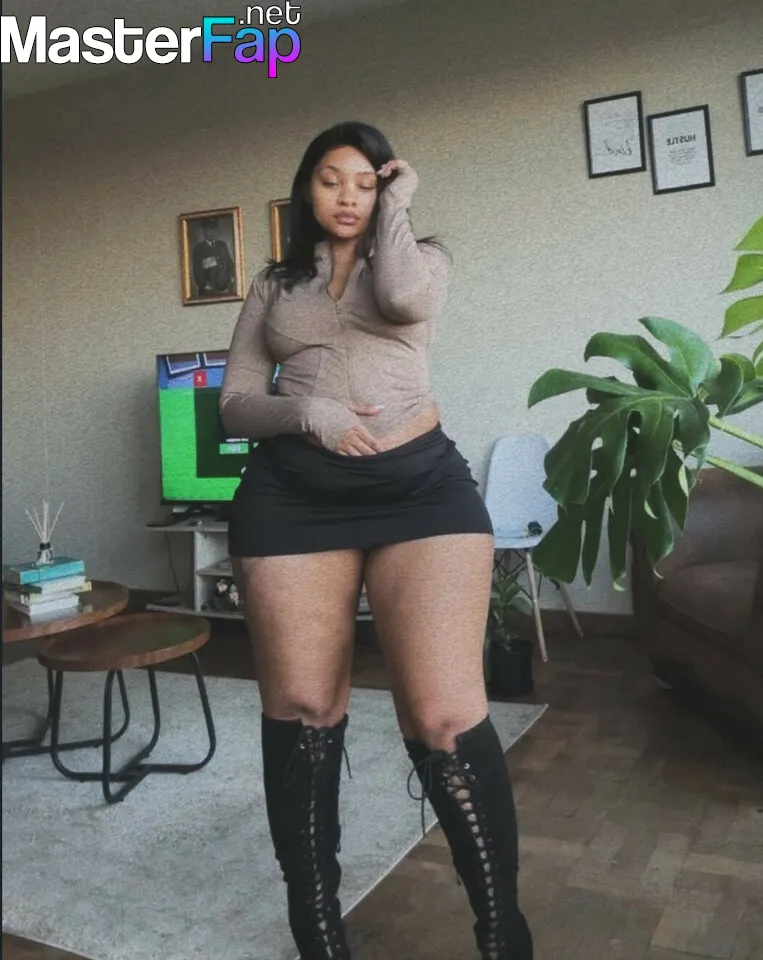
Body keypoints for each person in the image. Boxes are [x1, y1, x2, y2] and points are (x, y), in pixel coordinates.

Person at [220, 120, 533, 960]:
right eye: (332, 179)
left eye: (366, 181)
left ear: (386, 186)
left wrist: (402, 203)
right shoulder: (273, 284)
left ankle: (503, 934)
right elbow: (236, 405)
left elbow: (402, 302)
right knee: (304, 711)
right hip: (292, 499)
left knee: (443, 715)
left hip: (420, 490)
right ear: (306, 188)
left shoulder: (423, 259)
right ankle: (319, 935)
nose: (348, 195)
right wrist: (308, 412)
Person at [191, 216, 236, 296]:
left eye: (214, 230)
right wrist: (205, 285)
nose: (212, 232)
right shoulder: (199, 248)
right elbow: (197, 271)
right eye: (209, 230)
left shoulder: (222, 245)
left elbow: (229, 263)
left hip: (225, 289)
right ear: (205, 231)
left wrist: (232, 278)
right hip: (208, 291)